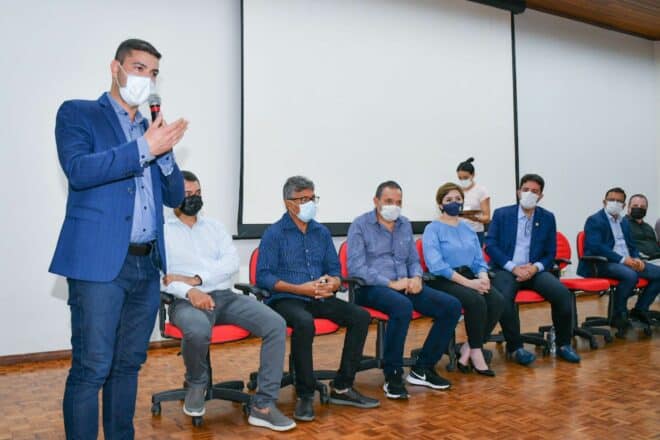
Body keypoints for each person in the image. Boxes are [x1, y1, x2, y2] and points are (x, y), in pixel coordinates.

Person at [49, 39, 188, 439]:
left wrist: (164, 153)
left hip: (146, 265)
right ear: (116, 68)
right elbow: (79, 170)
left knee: (128, 364)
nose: (147, 78)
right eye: (139, 68)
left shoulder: (150, 129)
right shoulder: (79, 113)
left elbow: (176, 197)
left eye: (154, 73)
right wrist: (144, 148)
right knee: (92, 366)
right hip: (99, 264)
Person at [162, 171, 295, 431]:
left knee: (275, 324)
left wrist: (197, 279)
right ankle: (196, 381)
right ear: (173, 196)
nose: (194, 198)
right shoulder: (163, 232)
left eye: (198, 193)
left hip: (225, 297)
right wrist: (190, 291)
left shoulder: (215, 227)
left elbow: (231, 263)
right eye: (187, 194)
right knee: (198, 329)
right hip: (185, 301)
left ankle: (263, 405)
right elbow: (163, 277)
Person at [256, 176, 379, 422]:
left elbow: (334, 269)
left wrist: (334, 282)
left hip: (319, 296)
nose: (310, 203)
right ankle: (305, 394)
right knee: (304, 323)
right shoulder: (274, 233)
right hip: (286, 298)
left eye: (312, 198)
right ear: (289, 203)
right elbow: (264, 276)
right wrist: (299, 289)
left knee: (360, 317)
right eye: (303, 199)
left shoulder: (321, 232)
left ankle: (342, 386)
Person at [347, 181, 462, 399]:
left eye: (398, 202)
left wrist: (417, 277)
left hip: (405, 285)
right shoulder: (360, 225)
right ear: (376, 201)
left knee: (451, 306)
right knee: (402, 306)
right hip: (371, 287)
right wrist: (390, 284)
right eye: (389, 201)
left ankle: (423, 368)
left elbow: (413, 259)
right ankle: (393, 374)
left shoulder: (405, 224)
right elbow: (356, 268)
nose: (394, 206)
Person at [485, 174, 580, 365]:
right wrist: (513, 268)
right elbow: (491, 246)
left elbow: (550, 252)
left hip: (534, 270)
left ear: (541, 196)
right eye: (526, 189)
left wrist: (535, 268)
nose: (529, 194)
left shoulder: (547, 217)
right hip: (506, 269)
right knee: (504, 298)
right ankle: (516, 348)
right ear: (518, 192)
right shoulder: (502, 214)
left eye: (535, 191)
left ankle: (563, 345)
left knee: (562, 294)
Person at [422, 182, 504, 377]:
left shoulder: (468, 228)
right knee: (476, 301)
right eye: (449, 199)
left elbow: (478, 260)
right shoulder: (432, 229)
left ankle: (469, 347)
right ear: (440, 204)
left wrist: (483, 277)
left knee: (497, 300)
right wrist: (470, 284)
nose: (454, 202)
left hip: (469, 276)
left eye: (458, 199)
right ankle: (476, 352)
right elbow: (436, 265)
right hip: (442, 279)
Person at [577, 187, 660, 333]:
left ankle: (640, 310)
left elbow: (632, 246)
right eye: (611, 200)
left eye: (619, 201)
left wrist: (637, 259)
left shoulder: (624, 222)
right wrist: (623, 260)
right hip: (602, 263)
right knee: (630, 275)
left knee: (658, 274)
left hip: (627, 262)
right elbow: (596, 247)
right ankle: (619, 313)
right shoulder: (595, 220)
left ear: (623, 205)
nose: (615, 203)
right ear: (604, 202)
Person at [456, 157, 491, 245]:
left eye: (465, 178)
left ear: (473, 175)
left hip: (475, 233)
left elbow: (487, 218)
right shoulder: (456, 191)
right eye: (460, 178)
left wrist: (472, 217)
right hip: (457, 233)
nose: (462, 180)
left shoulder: (481, 191)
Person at [626, 194, 660, 264]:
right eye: (635, 206)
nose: (639, 208)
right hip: (642, 262)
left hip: (657, 259)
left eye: (642, 207)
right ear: (628, 208)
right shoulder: (622, 225)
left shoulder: (649, 227)